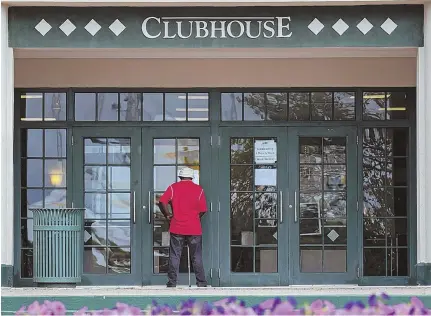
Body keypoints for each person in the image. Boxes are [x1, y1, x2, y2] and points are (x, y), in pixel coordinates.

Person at [158, 167, 208, 288]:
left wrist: (168, 215)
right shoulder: (199, 189)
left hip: (177, 227)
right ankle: (201, 283)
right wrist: (195, 217)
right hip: (194, 228)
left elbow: (162, 202)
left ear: (180, 177)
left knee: (175, 255)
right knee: (196, 256)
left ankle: (172, 283)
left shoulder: (173, 187)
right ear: (192, 177)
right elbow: (203, 210)